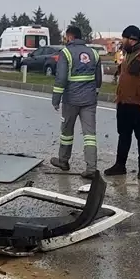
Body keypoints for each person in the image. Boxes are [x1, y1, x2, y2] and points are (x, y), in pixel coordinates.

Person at [49, 26, 103, 178]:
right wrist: (95, 93)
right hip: (89, 100)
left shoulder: (66, 53)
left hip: (71, 100)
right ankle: (91, 168)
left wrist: (56, 99)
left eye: (66, 37)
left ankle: (63, 161)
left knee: (67, 132)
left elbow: (61, 79)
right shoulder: (94, 53)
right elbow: (98, 79)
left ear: (70, 37)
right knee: (90, 135)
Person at [106, 25, 140, 179]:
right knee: (123, 134)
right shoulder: (127, 53)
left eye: (124, 38)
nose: (122, 41)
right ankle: (120, 165)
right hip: (124, 101)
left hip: (139, 103)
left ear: (132, 39)